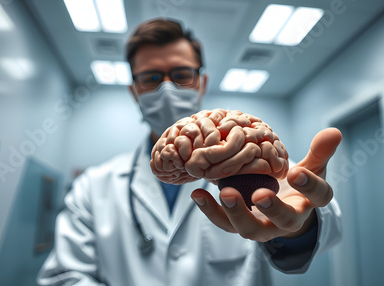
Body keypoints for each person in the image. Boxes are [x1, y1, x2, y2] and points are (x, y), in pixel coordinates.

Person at [37, 19, 342, 286]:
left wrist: (295, 231)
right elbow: (63, 277)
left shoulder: (256, 169)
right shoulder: (93, 187)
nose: (167, 89)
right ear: (134, 91)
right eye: (151, 78)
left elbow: (298, 252)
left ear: (202, 83)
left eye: (182, 74)